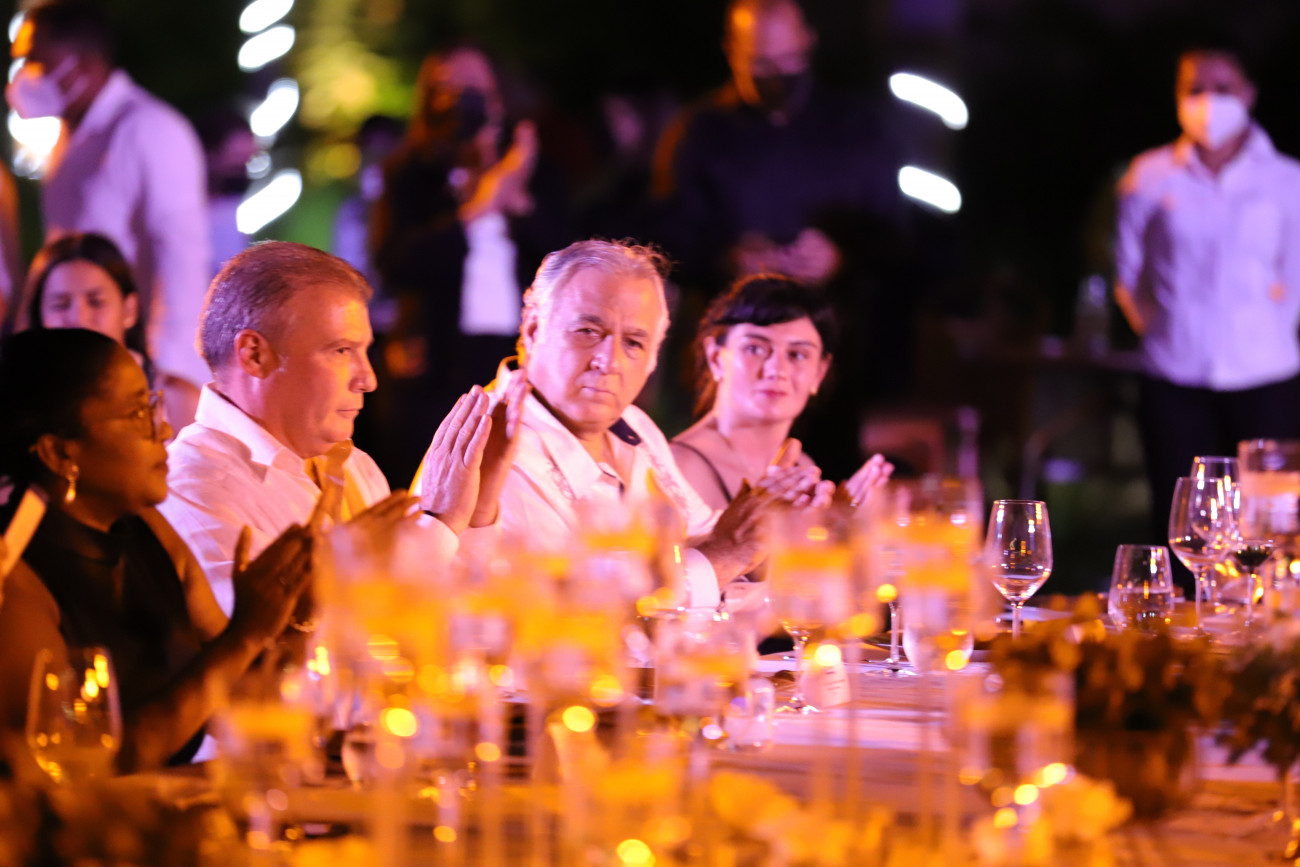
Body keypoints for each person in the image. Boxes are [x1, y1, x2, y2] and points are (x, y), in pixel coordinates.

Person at [414, 240, 830, 609]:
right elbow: (579, 618)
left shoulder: (632, 424)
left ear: (653, 359)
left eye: (633, 342)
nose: (609, 362)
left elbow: (706, 542)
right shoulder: (491, 448)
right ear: (534, 329)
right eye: (588, 331)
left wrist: (764, 531)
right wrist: (728, 554)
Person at [0, 328, 313, 774]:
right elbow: (77, 772)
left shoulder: (147, 527)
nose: (163, 430)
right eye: (136, 414)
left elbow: (241, 701)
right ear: (59, 453)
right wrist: (243, 636)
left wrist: (297, 612)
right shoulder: (15, 577)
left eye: (153, 406)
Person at [159, 241, 524, 616]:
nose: (368, 380)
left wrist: (474, 512)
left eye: (365, 351)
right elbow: (272, 639)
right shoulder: (191, 489)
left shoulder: (353, 464)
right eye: (341, 351)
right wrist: (437, 523)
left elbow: (436, 623)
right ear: (255, 354)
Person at [652, 0, 903, 477]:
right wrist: (728, 257)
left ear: (808, 42)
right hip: (731, 364)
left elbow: (895, 238)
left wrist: (839, 256)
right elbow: (665, 238)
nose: (776, 78)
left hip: (832, 363)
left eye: (787, 62)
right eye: (762, 65)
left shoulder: (859, 130)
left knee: (824, 488)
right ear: (733, 52)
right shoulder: (700, 132)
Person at [1114, 44, 1300, 564]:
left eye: (1222, 88)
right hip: (1174, 373)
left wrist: (1265, 329)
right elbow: (1129, 274)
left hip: (1264, 375)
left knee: (1267, 531)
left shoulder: (1287, 179)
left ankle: (1268, 617)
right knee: (1182, 528)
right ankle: (1183, 616)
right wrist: (1162, 329)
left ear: (1249, 93)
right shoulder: (1148, 175)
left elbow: (1294, 274)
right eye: (1195, 89)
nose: (1208, 102)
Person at [370, 45, 571, 476]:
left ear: (498, 96)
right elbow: (394, 263)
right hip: (436, 359)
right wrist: (477, 208)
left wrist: (517, 200)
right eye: (449, 89)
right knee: (430, 479)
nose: (464, 101)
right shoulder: (411, 173)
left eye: (474, 88)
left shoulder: (533, 169)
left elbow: (567, 260)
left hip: (517, 355)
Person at [7, 2, 212, 394]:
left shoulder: (150, 129)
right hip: (81, 360)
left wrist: (164, 370)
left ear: (82, 63)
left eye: (36, 61)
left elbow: (180, 254)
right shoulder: (69, 136)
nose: (24, 76)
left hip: (137, 368)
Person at [671, 274, 892, 511]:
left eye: (797, 354)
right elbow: (666, 540)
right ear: (715, 358)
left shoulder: (801, 466)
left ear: (819, 372)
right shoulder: (678, 467)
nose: (777, 370)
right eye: (754, 349)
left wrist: (837, 522)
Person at [22, 232, 201, 433]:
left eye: (96, 302)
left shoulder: (177, 401)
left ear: (129, 309)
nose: (78, 318)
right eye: (61, 305)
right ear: (39, 315)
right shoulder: (19, 406)